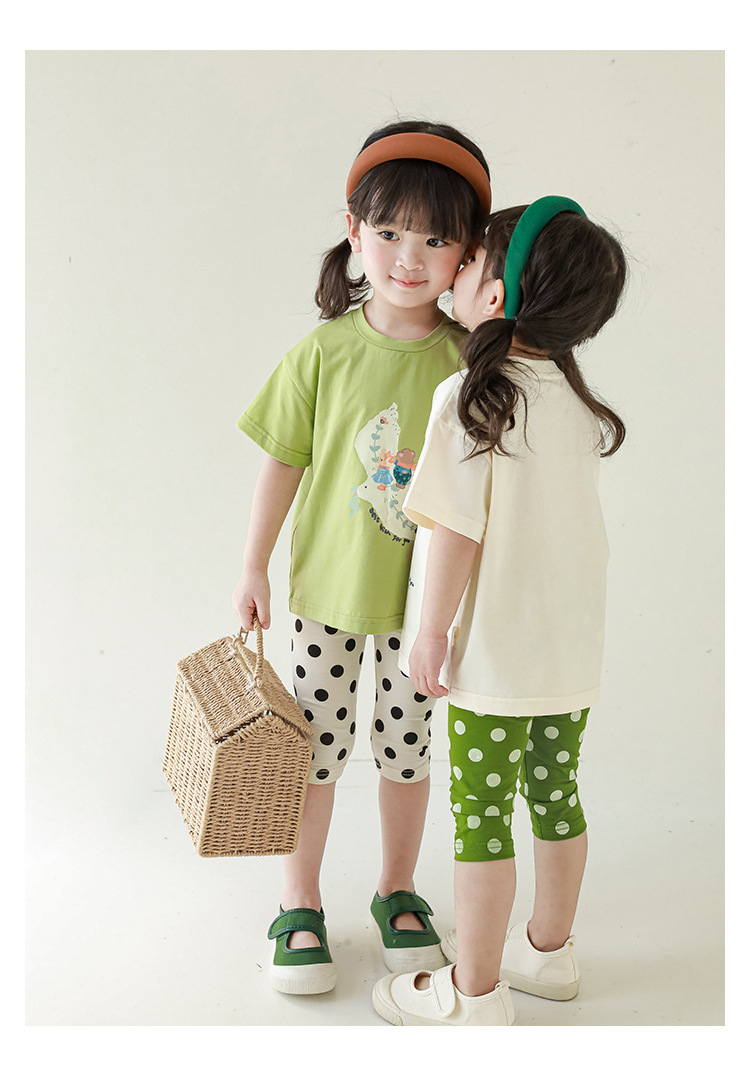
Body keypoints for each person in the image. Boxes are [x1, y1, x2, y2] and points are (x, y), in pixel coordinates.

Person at [232, 119, 492, 995]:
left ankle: (397, 889)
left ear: (467, 253)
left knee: (407, 751)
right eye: (388, 232)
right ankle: (298, 899)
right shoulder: (324, 351)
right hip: (327, 597)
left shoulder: (468, 362)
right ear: (353, 230)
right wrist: (253, 565)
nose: (409, 258)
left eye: (436, 239)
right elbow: (282, 462)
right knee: (313, 748)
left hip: (426, 612)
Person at [372, 197, 628, 1026]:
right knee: (557, 795)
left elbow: (455, 531)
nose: (452, 268)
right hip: (568, 651)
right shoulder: (576, 404)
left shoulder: (472, 397)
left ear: (495, 295)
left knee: (481, 817)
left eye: (470, 258)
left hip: (493, 657)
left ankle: (473, 993)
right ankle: (548, 952)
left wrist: (430, 633)